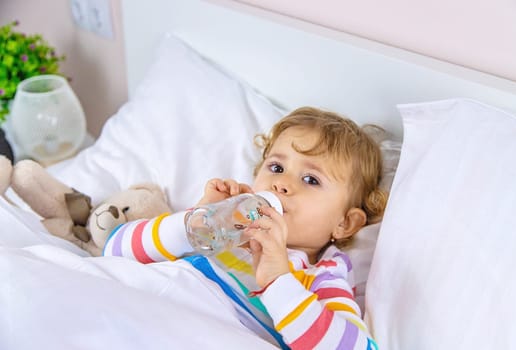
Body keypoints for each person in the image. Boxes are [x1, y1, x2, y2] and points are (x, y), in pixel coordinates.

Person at [103, 107, 387, 349]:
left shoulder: (318, 276)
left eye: (311, 179)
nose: (282, 183)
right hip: (127, 309)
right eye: (276, 168)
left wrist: (278, 280)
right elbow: (113, 250)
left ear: (345, 223)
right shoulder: (219, 227)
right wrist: (192, 224)